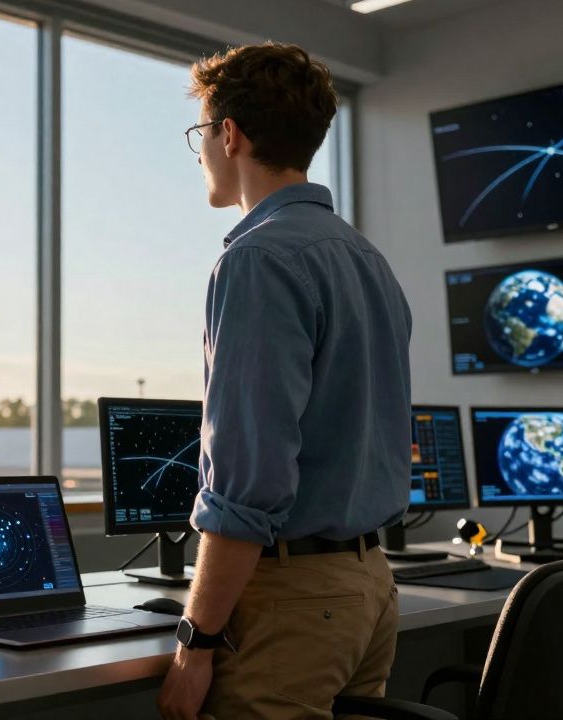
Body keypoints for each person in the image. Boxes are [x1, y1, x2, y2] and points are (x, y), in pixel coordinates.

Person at [157, 42, 413, 720]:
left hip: (295, 601)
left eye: (202, 136)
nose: (203, 153)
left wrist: (195, 641)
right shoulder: (368, 260)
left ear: (230, 135)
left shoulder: (257, 260)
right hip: (370, 589)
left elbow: (247, 482)